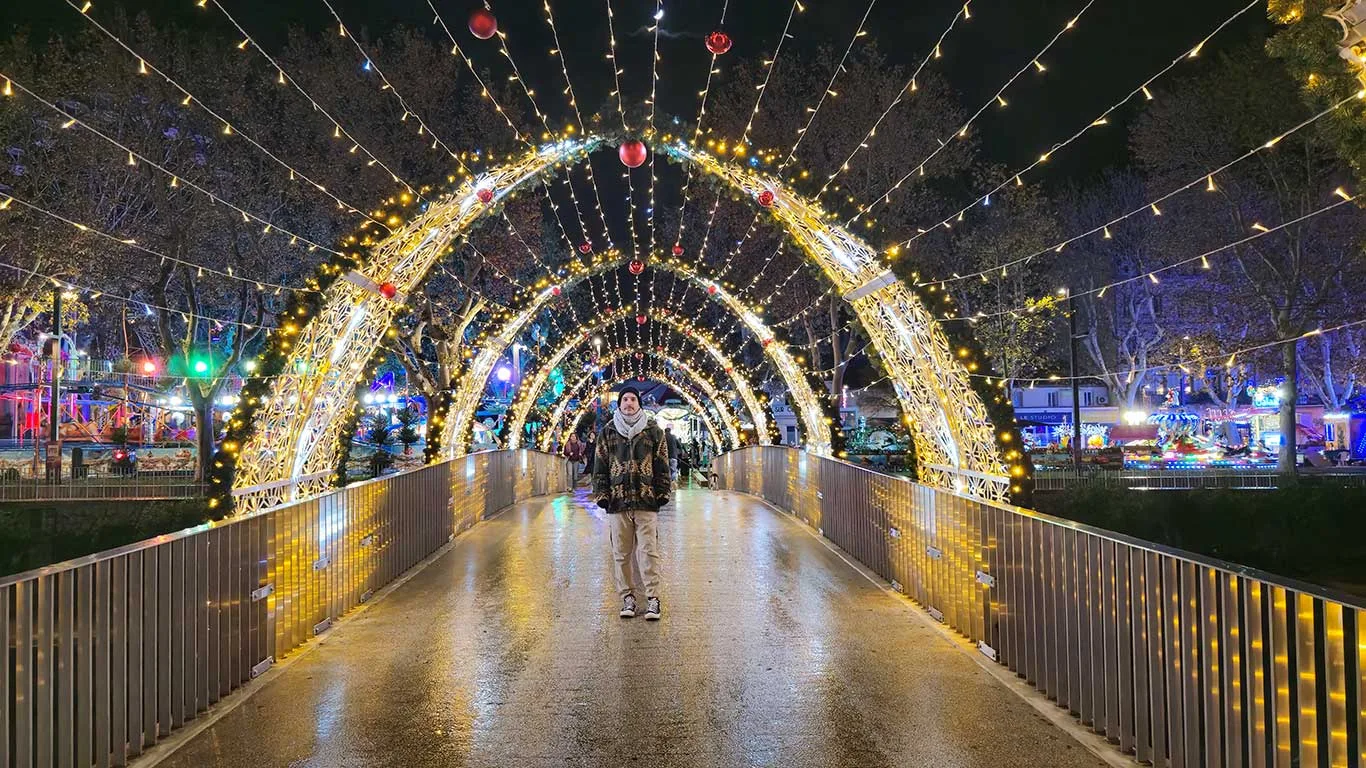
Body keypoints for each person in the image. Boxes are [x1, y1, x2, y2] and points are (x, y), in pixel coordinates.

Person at [592, 386, 671, 621]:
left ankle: (653, 599)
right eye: (625, 399)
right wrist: (602, 495)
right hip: (618, 502)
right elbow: (600, 466)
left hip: (646, 501)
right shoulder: (607, 432)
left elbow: (662, 464)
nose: (629, 403)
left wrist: (662, 492)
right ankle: (627, 597)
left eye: (633, 399)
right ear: (619, 404)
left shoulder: (653, 431)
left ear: (639, 403)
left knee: (648, 552)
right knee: (621, 553)